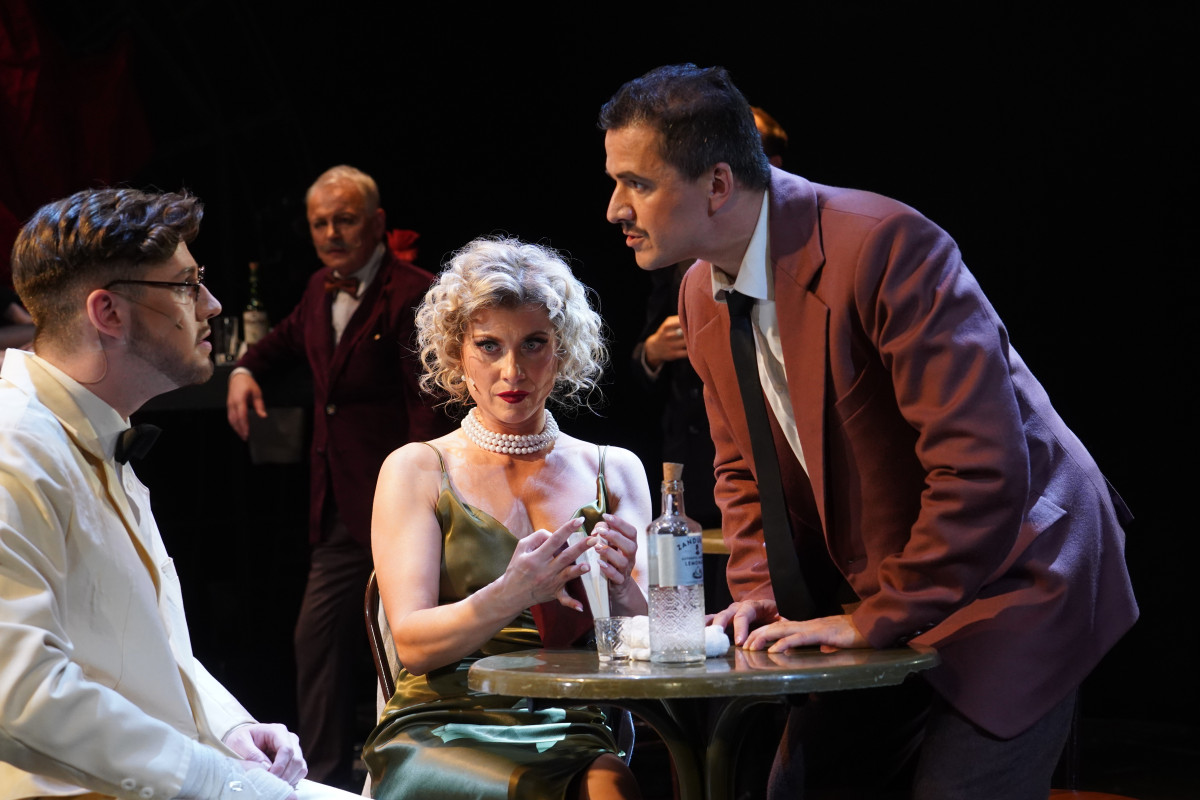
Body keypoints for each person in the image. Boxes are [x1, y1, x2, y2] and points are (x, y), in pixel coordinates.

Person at [600, 63, 1138, 799]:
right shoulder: (700, 292)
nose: (615, 209)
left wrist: (878, 617)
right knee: (802, 786)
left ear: (718, 184)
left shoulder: (884, 245)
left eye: (637, 183)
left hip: (1013, 572)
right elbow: (744, 471)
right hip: (884, 585)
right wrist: (761, 591)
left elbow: (980, 469)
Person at [0, 187, 359, 799]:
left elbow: (149, 650)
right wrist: (220, 781)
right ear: (109, 314)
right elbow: (20, 693)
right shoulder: (15, 448)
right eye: (187, 285)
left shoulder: (94, 431)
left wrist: (230, 728)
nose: (212, 304)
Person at [361, 235, 651, 800]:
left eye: (533, 344)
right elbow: (414, 645)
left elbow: (651, 646)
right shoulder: (417, 468)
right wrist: (512, 592)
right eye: (489, 346)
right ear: (457, 353)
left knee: (614, 789)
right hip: (442, 718)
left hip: (570, 716)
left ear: (562, 350)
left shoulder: (614, 470)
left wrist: (621, 593)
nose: (511, 370)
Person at [226, 165, 450, 789]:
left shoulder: (414, 293)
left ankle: (415, 772)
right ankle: (318, 781)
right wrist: (244, 370)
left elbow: (428, 409)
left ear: (377, 223)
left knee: (410, 645)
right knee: (317, 640)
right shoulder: (319, 288)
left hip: (402, 506)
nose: (331, 233)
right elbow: (280, 342)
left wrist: (423, 502)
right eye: (320, 222)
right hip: (337, 508)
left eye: (345, 220)